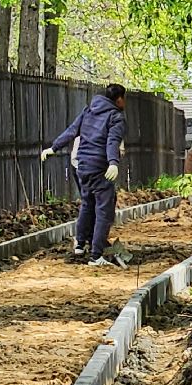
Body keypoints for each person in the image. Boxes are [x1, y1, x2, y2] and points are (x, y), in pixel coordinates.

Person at [41, 82, 126, 266]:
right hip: (99, 167)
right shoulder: (116, 116)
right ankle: (96, 255)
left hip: (82, 165)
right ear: (119, 99)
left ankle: (79, 244)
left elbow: (72, 130)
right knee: (104, 210)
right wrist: (113, 163)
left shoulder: (89, 110)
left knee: (87, 204)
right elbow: (112, 141)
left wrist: (54, 147)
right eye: (123, 99)